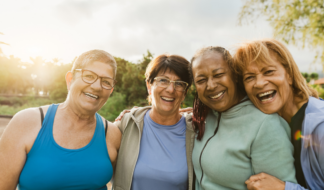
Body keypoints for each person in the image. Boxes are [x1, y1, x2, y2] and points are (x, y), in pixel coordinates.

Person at [235, 39, 324, 190]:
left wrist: (284, 188)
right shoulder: (277, 122)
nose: (259, 83)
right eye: (249, 77)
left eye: (268, 71)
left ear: (289, 75)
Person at [0, 50, 121, 190]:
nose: (96, 86)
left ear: (111, 90)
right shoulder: (25, 123)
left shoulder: (113, 134)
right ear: (70, 80)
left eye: (106, 82)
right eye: (89, 76)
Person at [189, 46, 297, 190]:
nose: (211, 85)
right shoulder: (205, 116)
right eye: (201, 80)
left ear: (234, 75)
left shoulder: (265, 124)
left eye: (219, 74)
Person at [112, 54, 196, 190]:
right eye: (163, 80)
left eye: (179, 84)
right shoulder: (126, 124)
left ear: (185, 92)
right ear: (149, 86)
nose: (170, 89)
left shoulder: (196, 130)